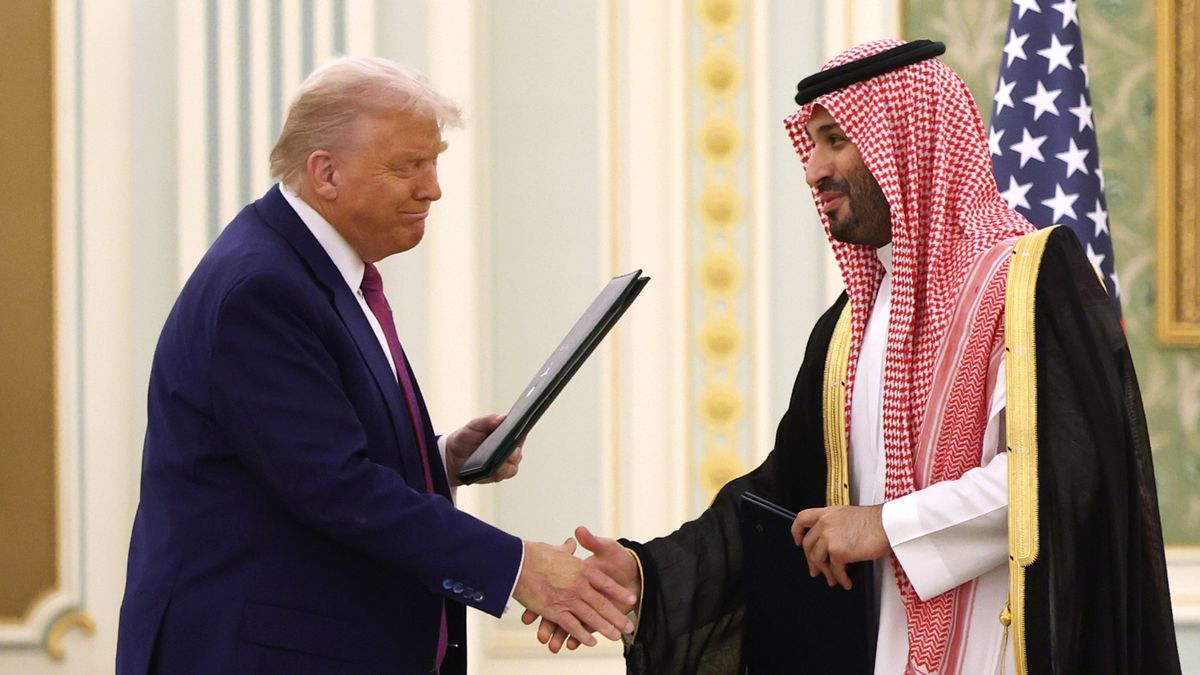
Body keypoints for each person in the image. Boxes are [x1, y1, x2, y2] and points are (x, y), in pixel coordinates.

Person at [525, 39, 1181, 674]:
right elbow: (784, 497)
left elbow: (1066, 473)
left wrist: (887, 526)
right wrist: (642, 575)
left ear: (906, 142)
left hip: (1012, 646)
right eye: (812, 144)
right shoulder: (850, 324)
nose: (813, 170)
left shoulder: (1028, 281)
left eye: (836, 139)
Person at [115, 56, 634, 675]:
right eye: (409, 166)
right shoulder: (262, 287)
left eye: (434, 162)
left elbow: (304, 455)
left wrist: (438, 458)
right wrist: (517, 567)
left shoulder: (314, 268)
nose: (433, 188)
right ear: (326, 173)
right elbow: (335, 487)